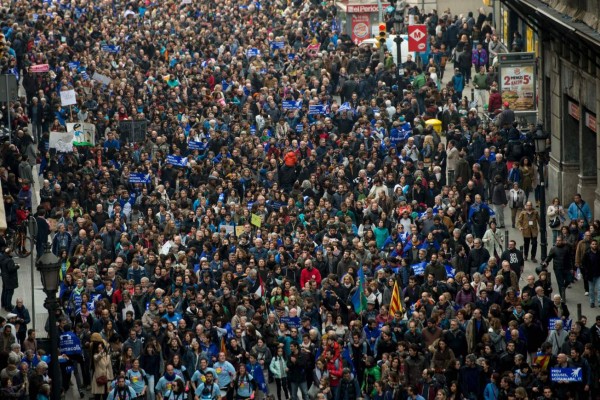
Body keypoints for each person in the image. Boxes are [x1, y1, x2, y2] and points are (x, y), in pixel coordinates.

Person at [542, 236, 573, 301]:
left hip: (566, 267)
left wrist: (571, 268)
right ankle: (562, 296)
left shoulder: (566, 248)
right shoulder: (554, 249)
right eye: (557, 240)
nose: (558, 242)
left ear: (562, 241)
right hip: (557, 268)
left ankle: (563, 288)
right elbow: (549, 257)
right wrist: (545, 262)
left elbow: (570, 258)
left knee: (569, 279)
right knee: (560, 283)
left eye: (559, 240)